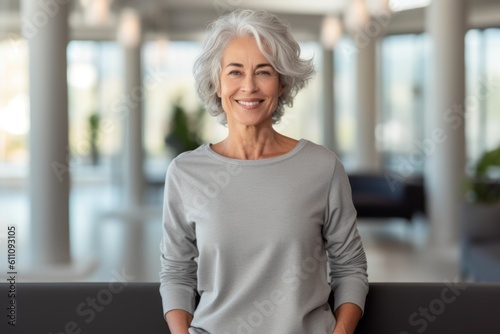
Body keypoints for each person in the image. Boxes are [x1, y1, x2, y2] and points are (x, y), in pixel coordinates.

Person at [159, 9, 368, 334]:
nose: (249, 86)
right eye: (235, 72)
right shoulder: (185, 173)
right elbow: (176, 271)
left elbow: (350, 267)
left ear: (282, 82)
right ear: (216, 83)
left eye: (264, 72)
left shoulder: (323, 168)